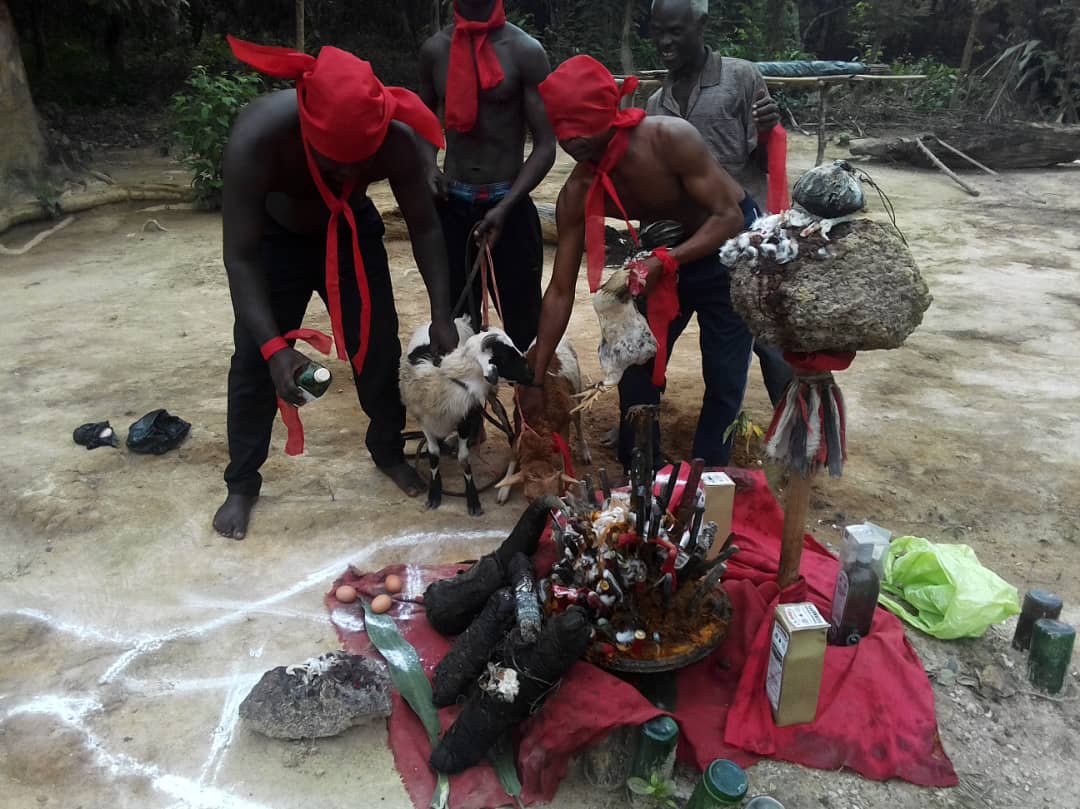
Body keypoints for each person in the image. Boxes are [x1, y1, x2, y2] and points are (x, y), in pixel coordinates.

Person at [212, 36, 458, 540]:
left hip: (348, 232)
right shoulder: (258, 139)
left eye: (358, 160)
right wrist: (276, 348)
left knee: (378, 346)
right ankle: (242, 482)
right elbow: (238, 256)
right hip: (275, 239)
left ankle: (386, 448)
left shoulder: (396, 139)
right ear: (307, 123)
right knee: (254, 362)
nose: (349, 170)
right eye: (335, 160)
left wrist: (440, 312)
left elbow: (426, 228)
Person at [519, 55, 757, 470]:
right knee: (636, 364)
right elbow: (559, 291)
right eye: (562, 128)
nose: (572, 139)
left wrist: (667, 261)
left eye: (581, 123)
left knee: (724, 371)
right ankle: (642, 463)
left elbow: (729, 216)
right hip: (661, 259)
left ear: (608, 113)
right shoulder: (578, 190)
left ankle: (711, 468)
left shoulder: (669, 138)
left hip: (727, 248)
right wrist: (536, 377)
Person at [647, 0, 794, 407]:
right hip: (686, 246)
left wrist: (768, 133)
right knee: (651, 340)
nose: (664, 41)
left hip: (741, 244)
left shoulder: (741, 78)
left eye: (675, 31)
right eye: (658, 30)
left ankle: (794, 422)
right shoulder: (656, 104)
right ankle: (637, 415)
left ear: (702, 24)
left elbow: (766, 165)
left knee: (765, 338)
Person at [418, 0, 555, 352]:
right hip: (452, 206)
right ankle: (466, 408)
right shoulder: (435, 51)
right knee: (456, 328)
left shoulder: (526, 51)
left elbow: (545, 146)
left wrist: (507, 206)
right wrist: (429, 166)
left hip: (508, 208)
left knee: (525, 325)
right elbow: (423, 123)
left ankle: (532, 404)